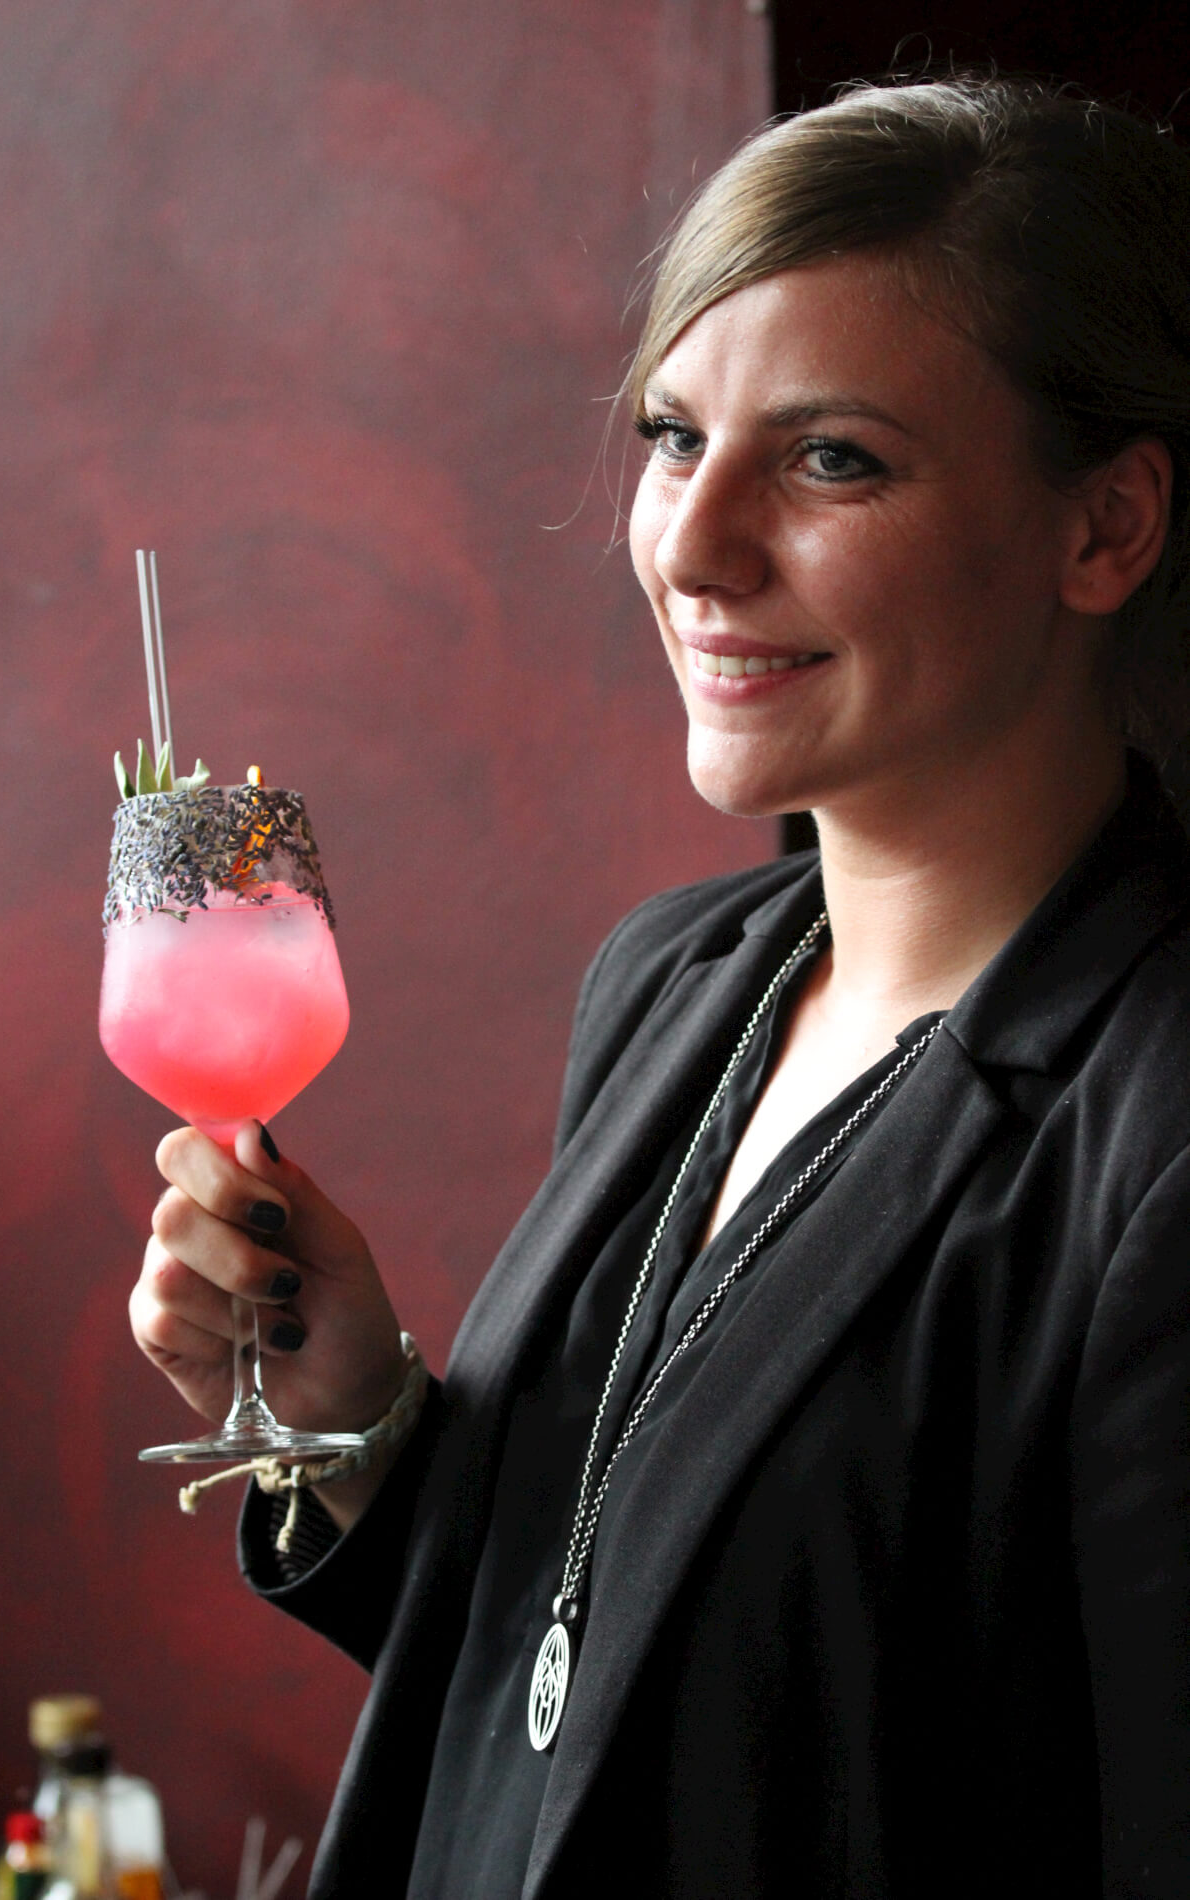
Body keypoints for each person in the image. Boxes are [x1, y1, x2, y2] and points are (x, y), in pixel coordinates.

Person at [130, 72, 1190, 1898]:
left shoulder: (1156, 1127)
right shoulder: (678, 985)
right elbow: (628, 1695)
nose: (693, 546)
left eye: (832, 459)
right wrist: (361, 1419)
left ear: (1105, 528)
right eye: (675, 436)